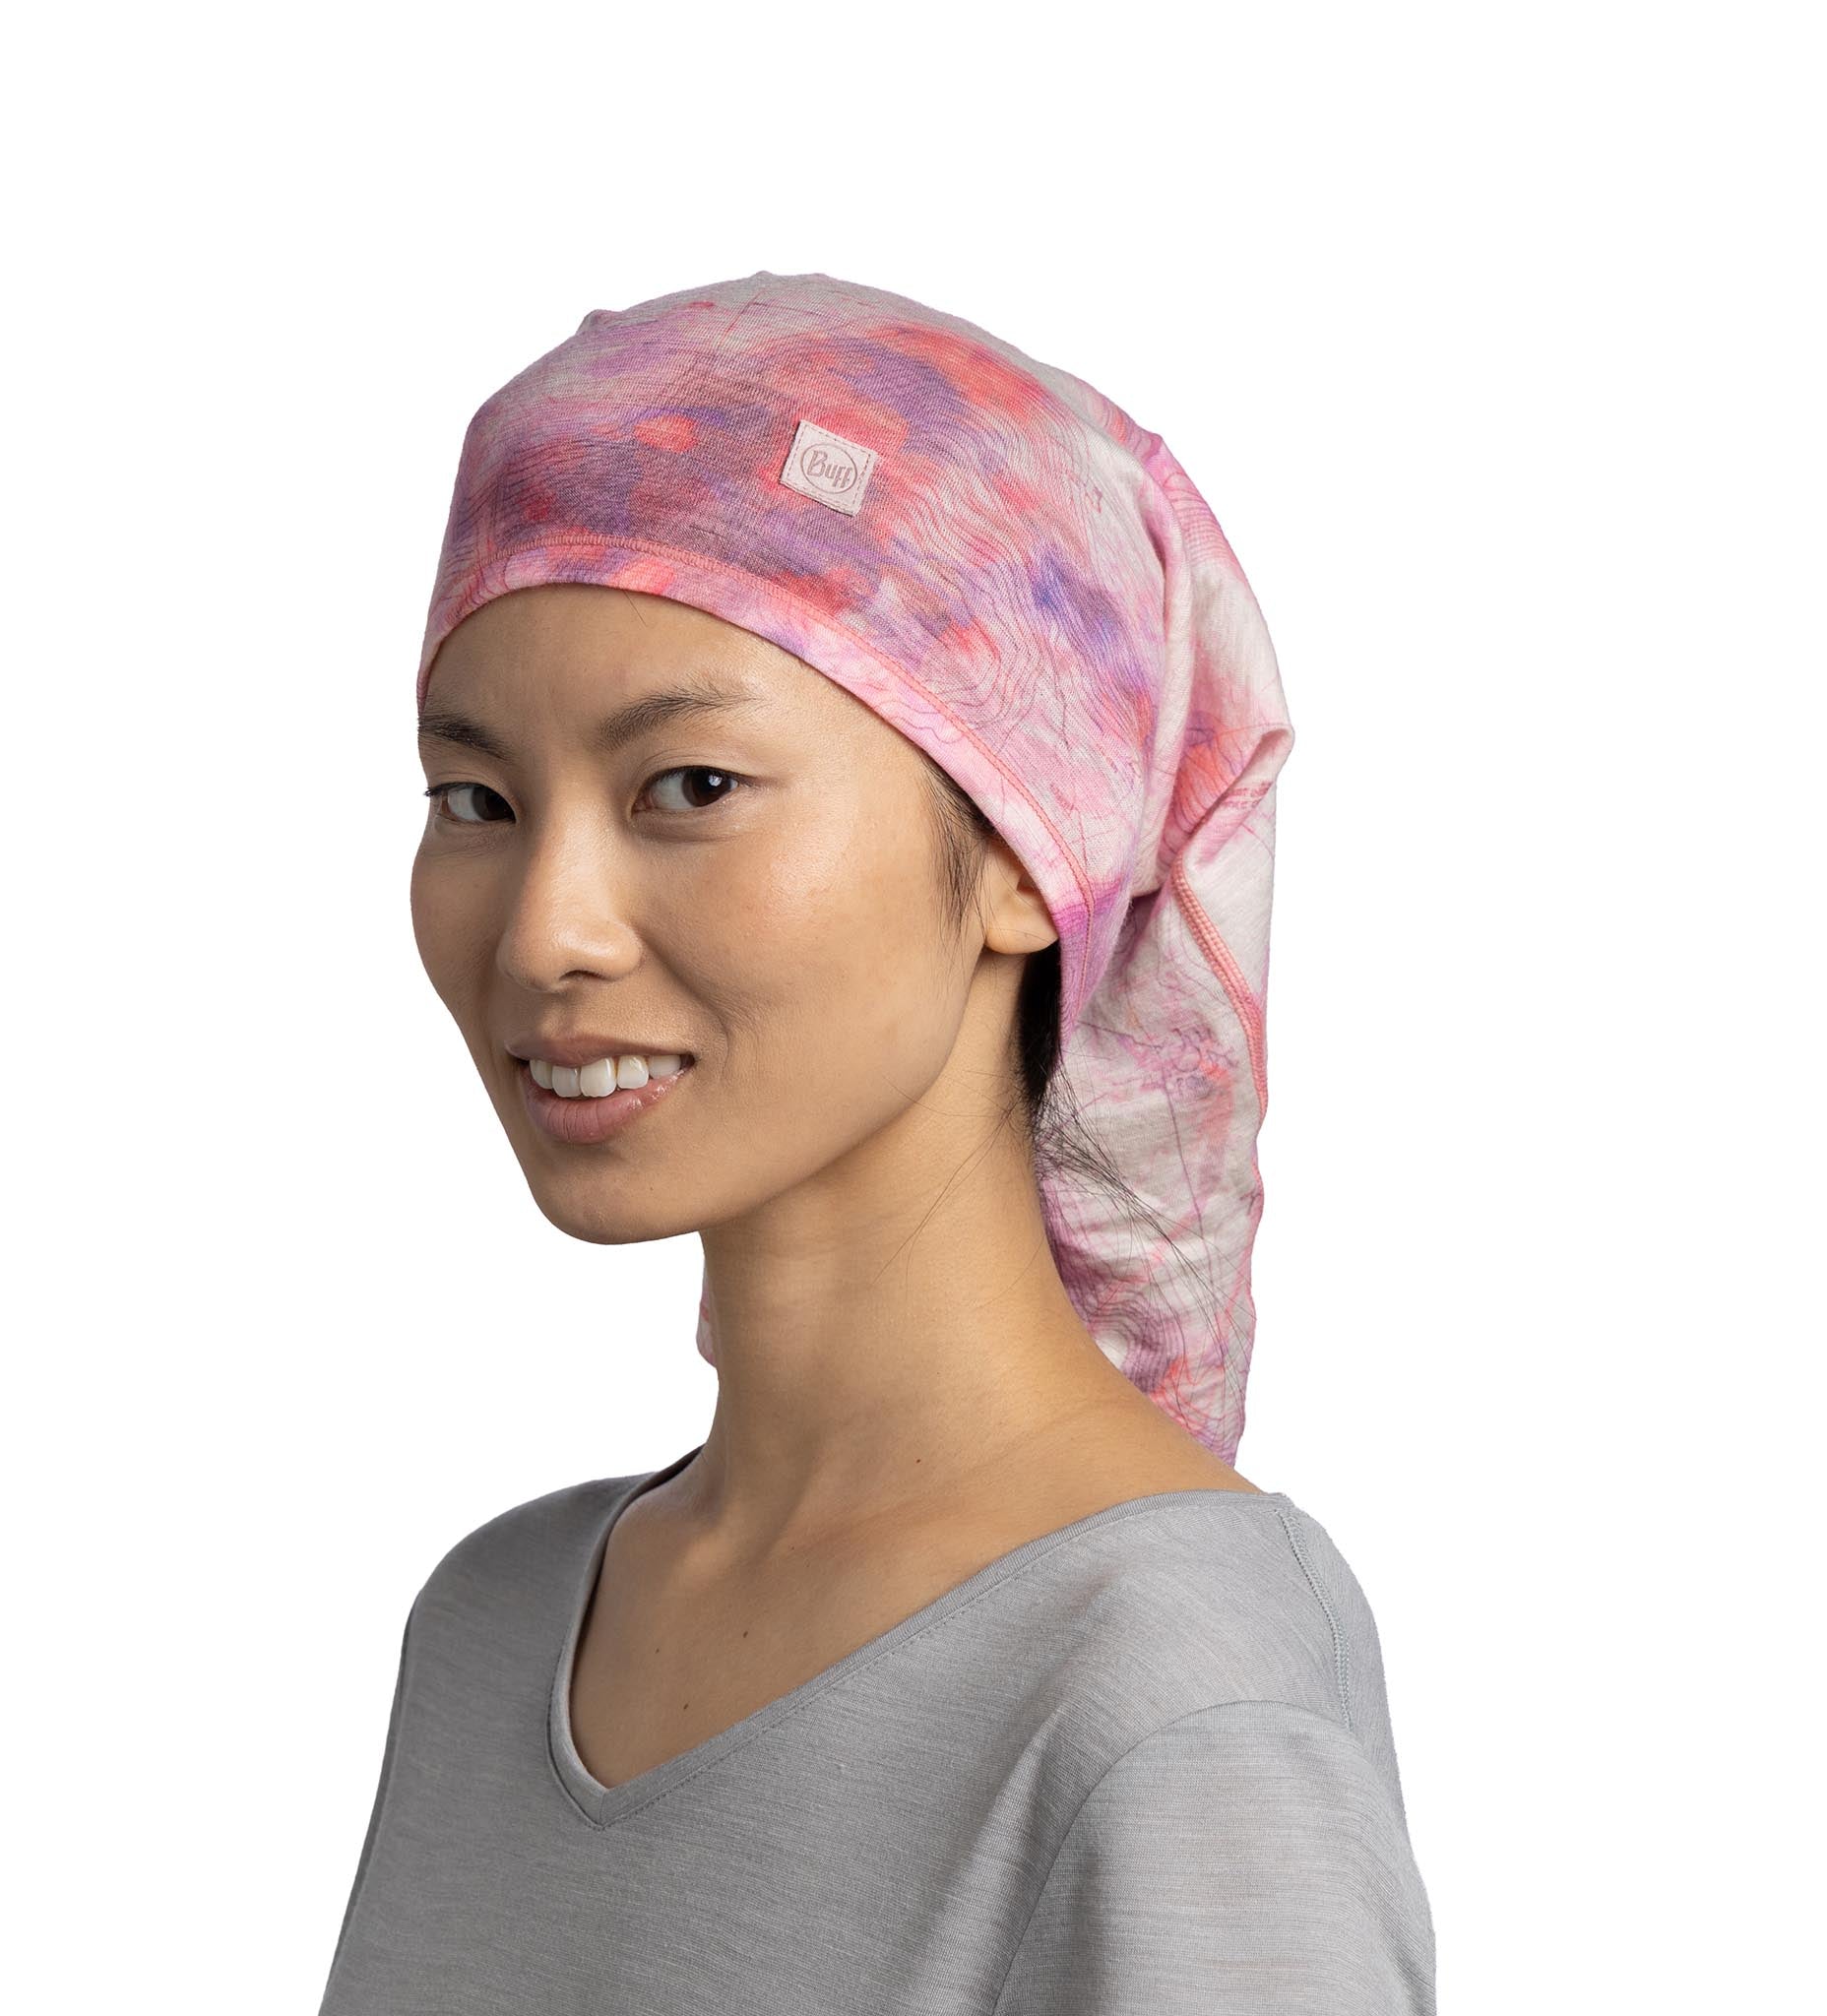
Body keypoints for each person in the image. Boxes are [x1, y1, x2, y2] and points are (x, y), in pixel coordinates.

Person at [318, 271, 1437, 2013]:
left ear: (1029, 847)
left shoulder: (1170, 1693)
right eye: (478, 800)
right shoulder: (495, 1626)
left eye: (691, 787)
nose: (545, 932)